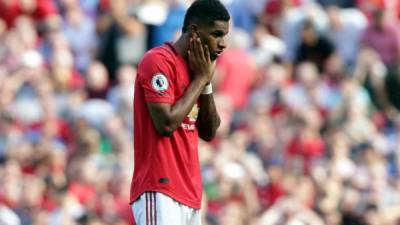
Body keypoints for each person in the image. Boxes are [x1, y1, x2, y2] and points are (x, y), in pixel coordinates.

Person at [130, 1, 230, 225]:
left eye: (225, 36)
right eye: (217, 34)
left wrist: (205, 83)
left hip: (190, 194)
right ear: (194, 30)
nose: (223, 44)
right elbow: (165, 124)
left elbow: (209, 131)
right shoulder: (158, 61)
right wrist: (201, 79)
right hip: (160, 187)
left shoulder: (197, 71)